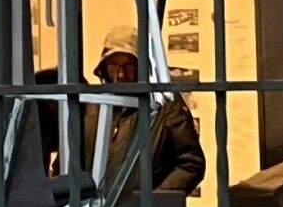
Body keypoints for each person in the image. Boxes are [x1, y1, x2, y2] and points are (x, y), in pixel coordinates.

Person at [85, 25, 206, 193]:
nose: (121, 74)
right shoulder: (92, 106)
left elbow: (191, 163)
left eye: (129, 65)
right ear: (103, 68)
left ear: (141, 67)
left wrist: (155, 200)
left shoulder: (164, 103)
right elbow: (68, 164)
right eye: (114, 64)